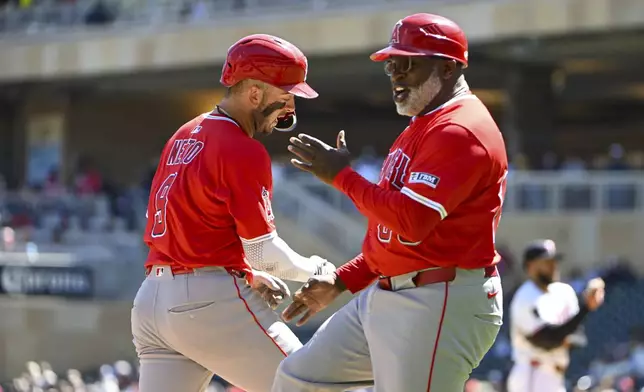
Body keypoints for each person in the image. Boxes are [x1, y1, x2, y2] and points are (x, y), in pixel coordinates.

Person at [273, 13, 508, 392]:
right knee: (299, 380)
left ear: (447, 68)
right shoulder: (424, 124)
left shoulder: (459, 129)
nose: (397, 74)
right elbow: (393, 233)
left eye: (409, 64)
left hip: (438, 298)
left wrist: (341, 177)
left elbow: (412, 222)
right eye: (392, 66)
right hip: (390, 291)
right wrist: (343, 279)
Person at [131, 34, 335, 392]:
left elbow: (196, 228)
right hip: (205, 302)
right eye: (286, 97)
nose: (290, 110)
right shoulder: (242, 148)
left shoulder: (183, 133)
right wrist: (318, 269)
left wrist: (245, 271)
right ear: (254, 94)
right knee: (315, 386)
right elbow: (264, 252)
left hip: (151, 301)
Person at [506, 239, 605, 392]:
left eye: (554, 261)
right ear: (530, 266)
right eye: (546, 262)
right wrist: (585, 309)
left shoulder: (565, 292)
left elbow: (578, 337)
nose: (553, 266)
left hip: (556, 376)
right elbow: (546, 340)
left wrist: (566, 334)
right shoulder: (525, 297)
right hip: (532, 374)